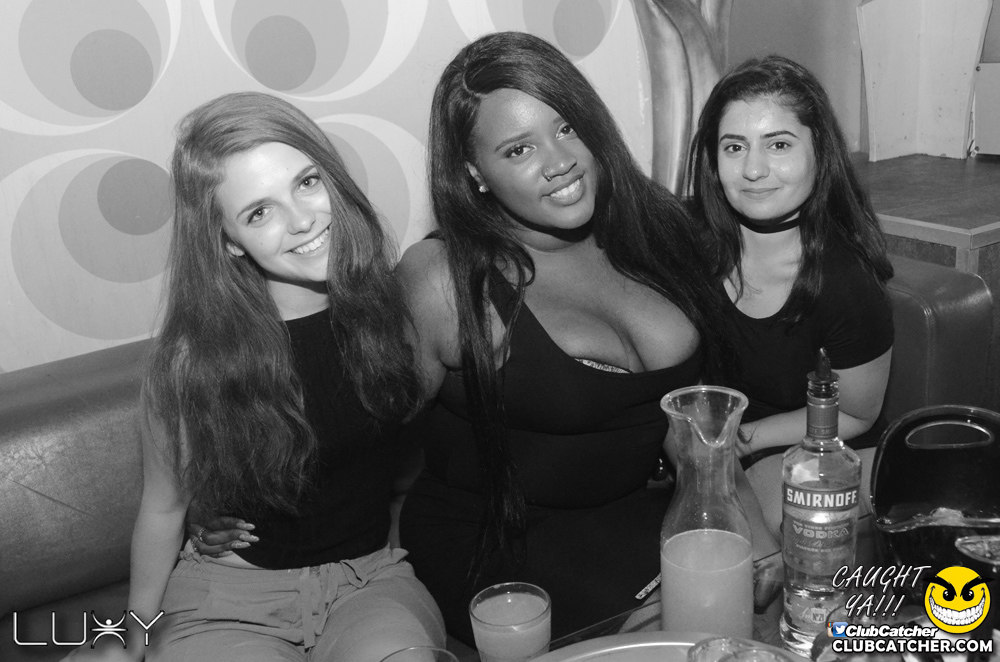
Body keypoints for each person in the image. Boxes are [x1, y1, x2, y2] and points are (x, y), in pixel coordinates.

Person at [395, 32, 776, 644]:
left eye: (567, 127)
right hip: (499, 544)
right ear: (475, 173)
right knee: (683, 641)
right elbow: (371, 427)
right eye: (519, 149)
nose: (559, 161)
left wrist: (754, 537)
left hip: (634, 513)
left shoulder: (655, 229)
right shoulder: (446, 280)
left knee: (773, 626)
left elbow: (695, 429)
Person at [68, 92, 444, 662]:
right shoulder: (191, 360)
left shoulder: (399, 312)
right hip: (228, 599)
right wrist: (129, 638)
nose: (302, 220)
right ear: (227, 240)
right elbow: (164, 509)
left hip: (368, 584)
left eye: (307, 183)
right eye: (259, 213)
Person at [686, 56, 894, 528]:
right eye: (734, 147)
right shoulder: (686, 244)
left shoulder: (846, 281)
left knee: (753, 514)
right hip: (720, 449)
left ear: (820, 153)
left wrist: (744, 438)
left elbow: (857, 414)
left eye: (778, 144)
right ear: (713, 161)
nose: (753, 169)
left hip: (823, 448)